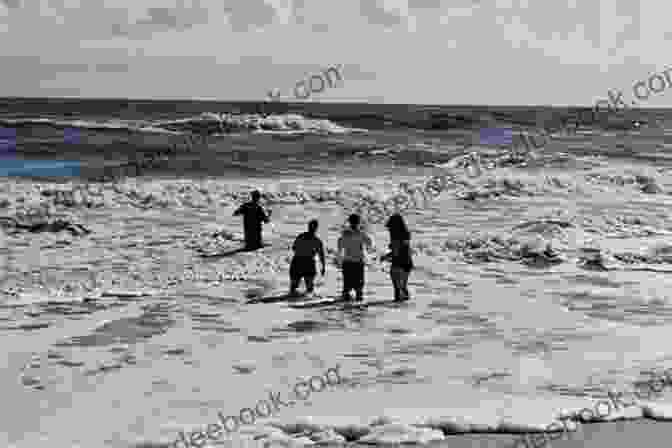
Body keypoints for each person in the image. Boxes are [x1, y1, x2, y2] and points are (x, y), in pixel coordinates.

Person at [337, 214, 373, 302]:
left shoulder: (345, 234)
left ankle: (346, 306)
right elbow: (369, 243)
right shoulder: (361, 234)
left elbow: (340, 246)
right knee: (359, 288)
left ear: (349, 222)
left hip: (347, 262)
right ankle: (358, 306)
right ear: (358, 222)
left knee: (346, 286)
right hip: (358, 262)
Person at [380, 213, 414, 301]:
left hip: (398, 264)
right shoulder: (406, 234)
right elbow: (406, 250)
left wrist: (385, 257)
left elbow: (396, 252)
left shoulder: (395, 237)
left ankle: (398, 310)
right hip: (408, 263)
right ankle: (406, 309)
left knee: (397, 290)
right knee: (403, 287)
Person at [289, 219, 326, 297]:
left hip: (297, 261)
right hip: (309, 263)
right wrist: (323, 267)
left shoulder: (300, 236)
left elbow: (294, 248)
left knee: (293, 287)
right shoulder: (317, 241)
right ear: (316, 228)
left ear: (308, 227)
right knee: (309, 289)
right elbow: (321, 255)